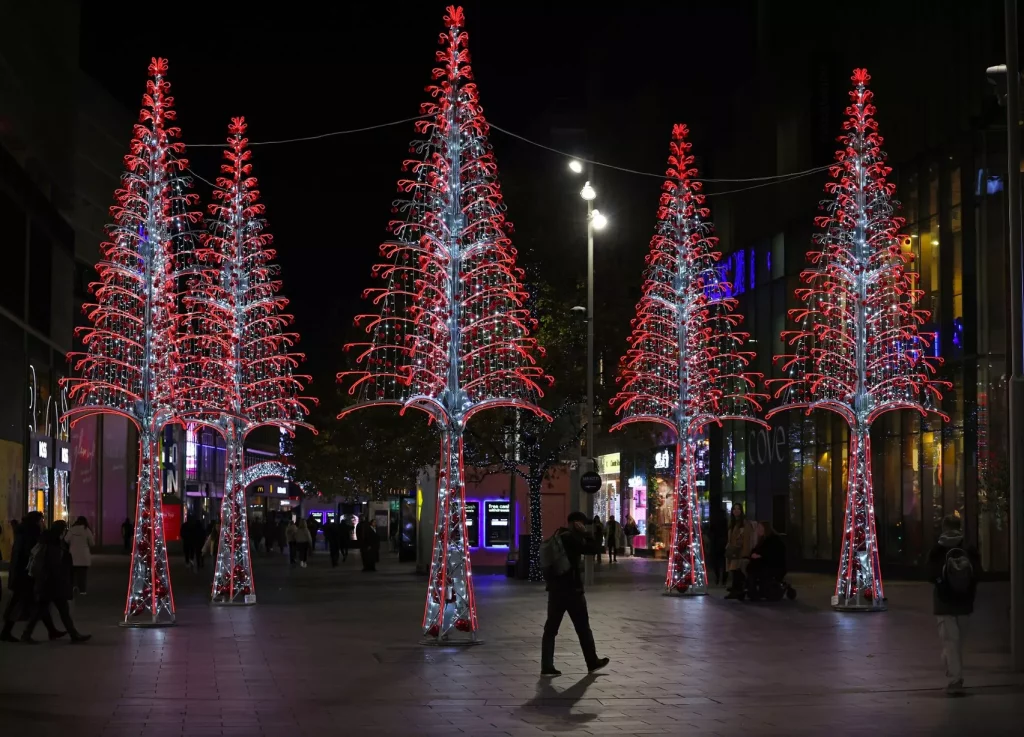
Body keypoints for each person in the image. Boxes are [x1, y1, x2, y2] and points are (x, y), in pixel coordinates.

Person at [541, 511, 610, 676]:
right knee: (583, 628)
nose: (584, 526)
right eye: (582, 524)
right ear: (576, 523)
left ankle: (546, 666)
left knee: (551, 629)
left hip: (556, 591)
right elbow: (594, 549)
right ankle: (592, 661)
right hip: (572, 591)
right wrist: (587, 534)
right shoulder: (572, 539)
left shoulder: (559, 536)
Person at [929, 514, 981, 695]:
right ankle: (953, 672)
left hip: (944, 604)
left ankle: (955, 680)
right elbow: (978, 574)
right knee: (957, 643)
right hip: (965, 603)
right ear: (959, 527)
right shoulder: (969, 548)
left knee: (951, 642)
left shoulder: (937, 549)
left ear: (944, 528)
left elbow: (929, 574)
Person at [20, 520, 90, 644]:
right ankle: (27, 635)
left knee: (53, 610)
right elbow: (54, 566)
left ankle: (69, 634)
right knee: (54, 610)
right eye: (64, 530)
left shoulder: (47, 540)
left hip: (47, 583)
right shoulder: (53, 544)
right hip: (51, 584)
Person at [1, 512, 64, 643]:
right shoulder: (31, 532)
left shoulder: (21, 532)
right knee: (32, 603)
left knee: (32, 603)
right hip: (25, 574)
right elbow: (32, 553)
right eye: (41, 520)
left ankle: (51, 630)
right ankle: (16, 633)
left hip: (19, 573)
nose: (42, 523)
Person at [746, 521, 786, 599]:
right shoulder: (763, 540)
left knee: (754, 569)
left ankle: (754, 591)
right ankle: (752, 590)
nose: (758, 530)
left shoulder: (773, 540)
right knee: (752, 568)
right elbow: (757, 550)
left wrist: (760, 555)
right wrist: (754, 554)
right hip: (765, 564)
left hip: (774, 566)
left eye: (760, 528)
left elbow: (773, 554)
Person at [725, 503, 752, 599]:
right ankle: (737, 589)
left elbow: (745, 538)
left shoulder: (744, 523)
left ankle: (737, 589)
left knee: (737, 570)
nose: (736, 511)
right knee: (734, 570)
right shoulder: (732, 523)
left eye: (738, 509)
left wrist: (744, 551)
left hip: (739, 551)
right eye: (734, 509)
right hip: (733, 550)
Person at [66, 516, 95, 595]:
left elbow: (66, 540)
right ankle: (82, 590)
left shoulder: (72, 530)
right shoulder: (87, 530)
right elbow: (92, 543)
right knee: (83, 574)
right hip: (83, 555)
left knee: (73, 573)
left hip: (73, 555)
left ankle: (74, 586)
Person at [708, 506, 728, 586]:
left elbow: (711, 532)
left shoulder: (713, 522)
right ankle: (723, 579)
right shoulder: (725, 522)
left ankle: (718, 577)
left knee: (716, 562)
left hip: (715, 544)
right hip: (723, 544)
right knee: (724, 563)